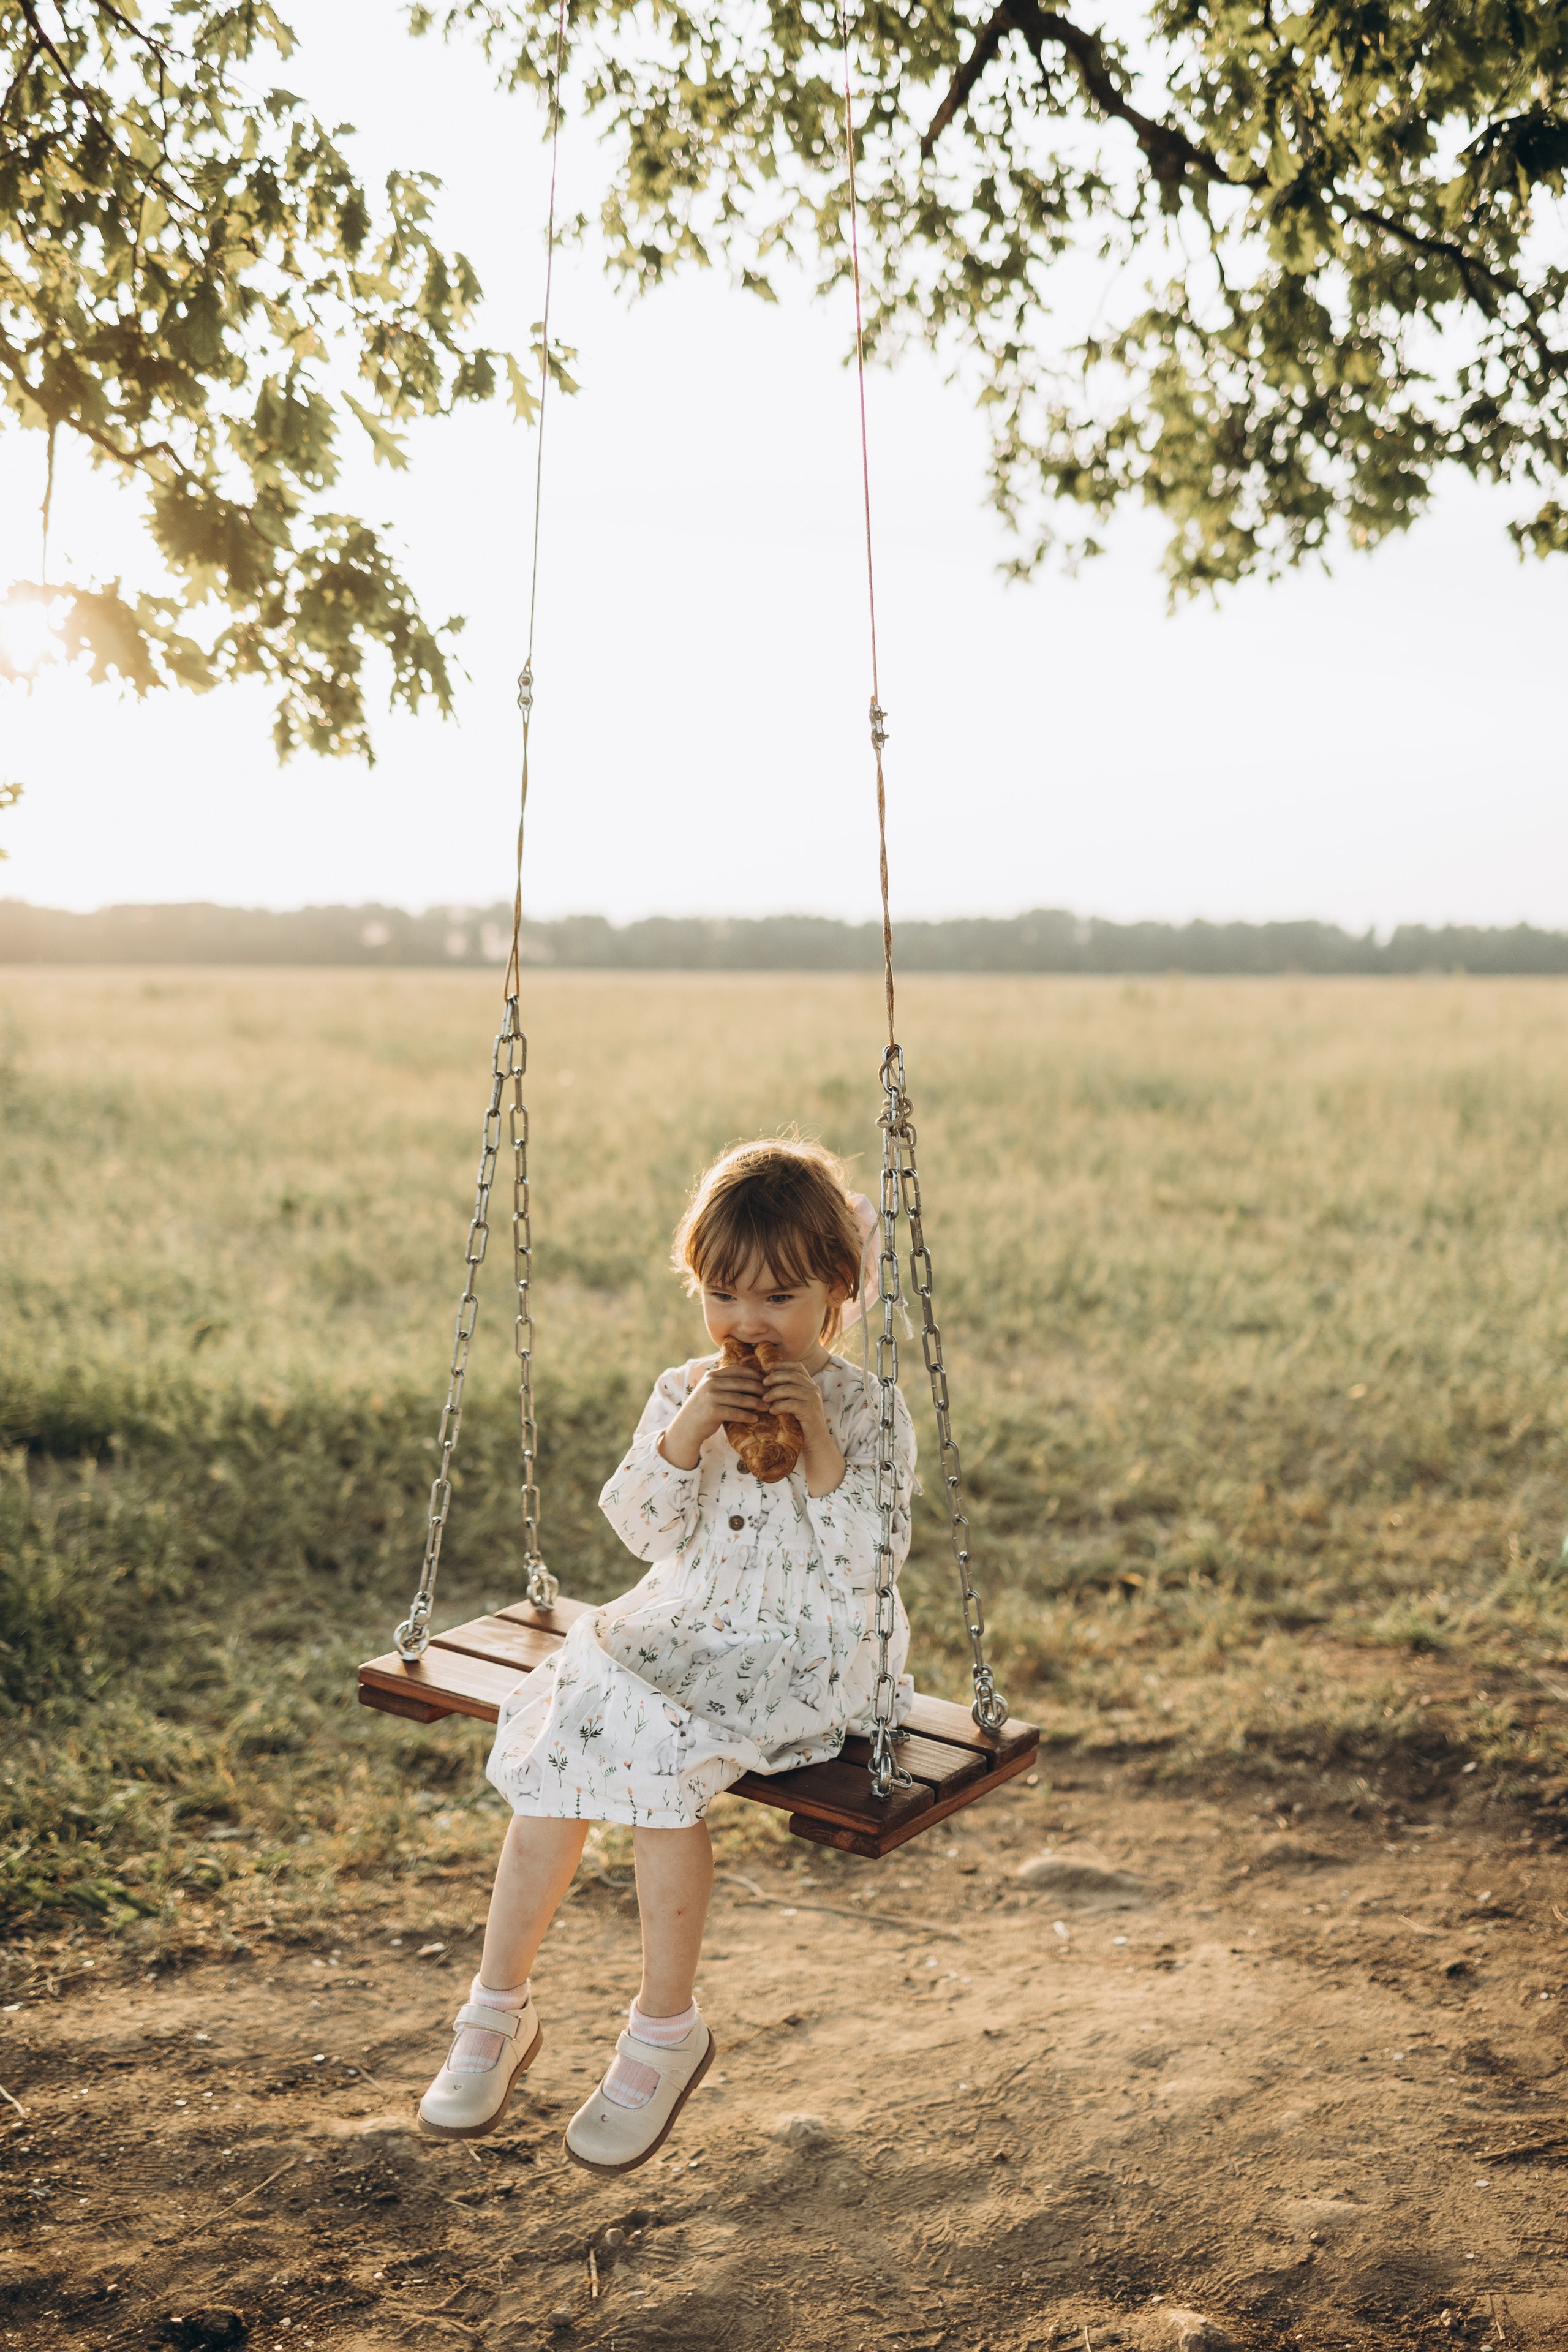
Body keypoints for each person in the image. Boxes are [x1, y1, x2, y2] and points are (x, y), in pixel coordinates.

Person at [417, 1137, 916, 2171]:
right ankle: (497, 2007)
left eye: (779, 1298)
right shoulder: (688, 1387)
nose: (748, 1324)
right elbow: (642, 1532)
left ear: (839, 1290)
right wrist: (686, 1432)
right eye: (724, 1295)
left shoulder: (869, 1409)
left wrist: (818, 1438)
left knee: (652, 1765)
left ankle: (662, 2029)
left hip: (808, 1654)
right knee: (563, 1733)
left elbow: (866, 1568)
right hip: (683, 1619)